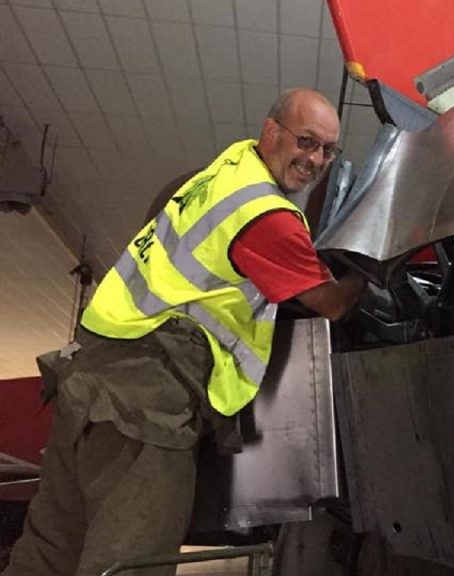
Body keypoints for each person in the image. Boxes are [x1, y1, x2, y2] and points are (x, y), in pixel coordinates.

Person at [3, 88, 366, 576]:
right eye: (306, 141)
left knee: (48, 551)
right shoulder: (267, 217)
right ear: (272, 131)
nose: (316, 159)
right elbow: (331, 304)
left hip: (87, 379)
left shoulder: (227, 169)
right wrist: (370, 268)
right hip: (146, 405)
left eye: (327, 149)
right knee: (133, 561)